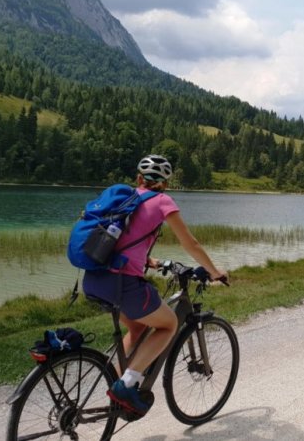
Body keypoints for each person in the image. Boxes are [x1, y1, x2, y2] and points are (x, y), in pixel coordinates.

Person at [82, 154, 227, 416]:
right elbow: (190, 243)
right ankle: (125, 386)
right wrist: (214, 271)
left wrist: (149, 261)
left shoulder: (125, 200)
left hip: (94, 279)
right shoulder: (162, 201)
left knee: (137, 326)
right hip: (123, 284)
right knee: (169, 324)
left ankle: (114, 381)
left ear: (138, 179)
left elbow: (120, 241)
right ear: (166, 184)